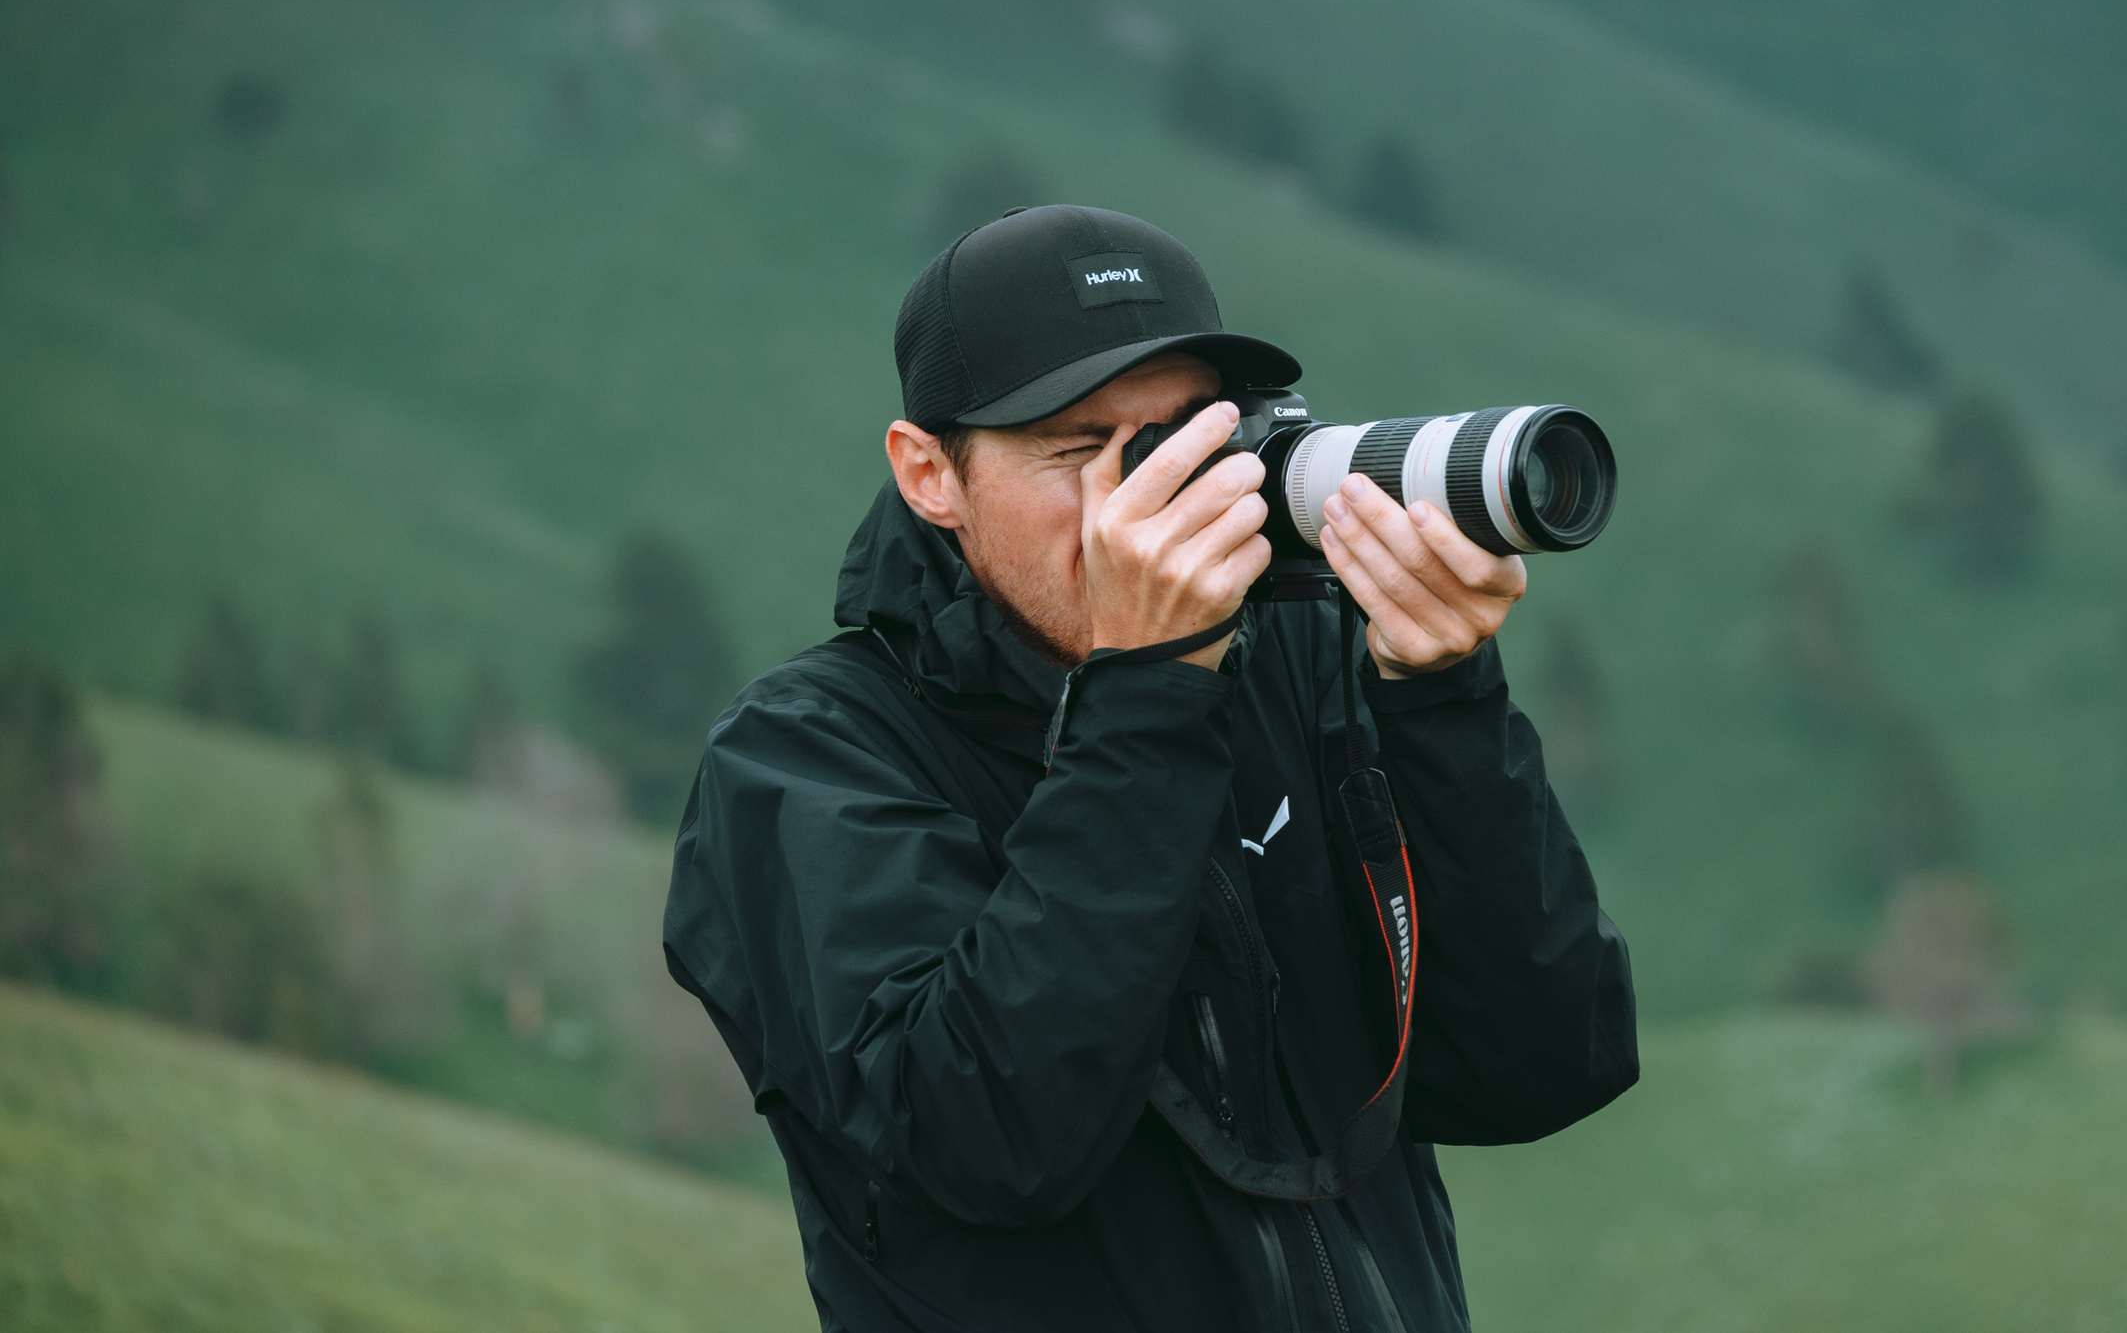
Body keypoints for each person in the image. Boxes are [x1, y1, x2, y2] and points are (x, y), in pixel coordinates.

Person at [664, 205, 1637, 1332]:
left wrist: (1443, 697)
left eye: (1183, 442)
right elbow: (991, 1141)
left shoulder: (1300, 659)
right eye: (1081, 449)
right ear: (930, 473)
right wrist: (1146, 695)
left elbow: (1544, 1062)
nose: (1146, 501)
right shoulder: (804, 752)